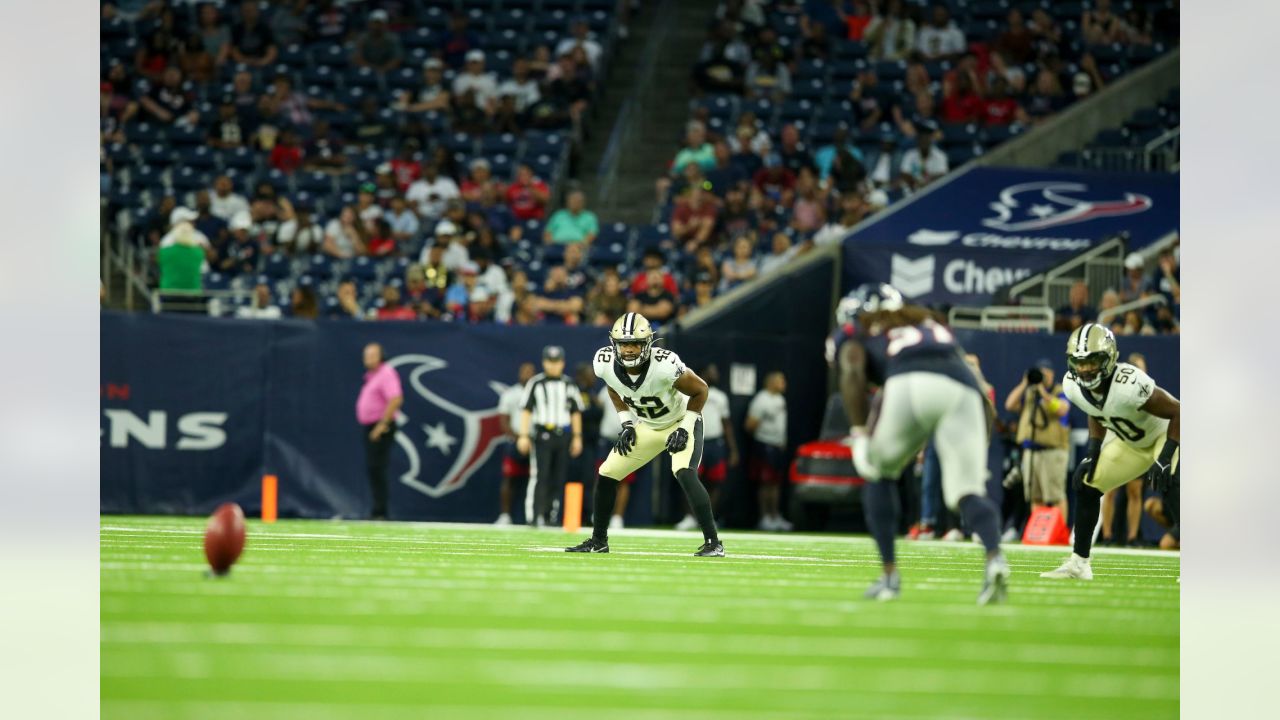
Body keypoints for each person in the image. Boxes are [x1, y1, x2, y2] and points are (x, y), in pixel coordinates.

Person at [832, 283, 1008, 603]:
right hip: (964, 389)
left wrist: (859, 432)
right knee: (967, 491)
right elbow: (982, 395)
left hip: (910, 381)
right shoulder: (929, 322)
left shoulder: (860, 328)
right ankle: (995, 559)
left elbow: (853, 370)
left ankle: (889, 577)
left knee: (877, 470)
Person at [566, 313, 724, 556]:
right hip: (648, 425)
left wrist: (685, 427)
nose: (629, 350)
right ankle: (599, 541)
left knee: (683, 472)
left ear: (648, 344)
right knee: (607, 473)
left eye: (635, 344)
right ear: (614, 344)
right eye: (624, 344)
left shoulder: (664, 365)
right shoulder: (604, 363)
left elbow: (701, 390)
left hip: (681, 420)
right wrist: (627, 423)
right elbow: (613, 385)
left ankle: (714, 543)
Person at [1042, 325, 1180, 580]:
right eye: (1079, 362)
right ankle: (1079, 563)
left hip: (1164, 435)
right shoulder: (1072, 385)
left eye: (1092, 361)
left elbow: (1178, 411)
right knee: (1087, 483)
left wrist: (1166, 454)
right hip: (1132, 443)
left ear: (1108, 358)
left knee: (1170, 479)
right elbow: (1094, 410)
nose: (1084, 369)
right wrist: (1094, 451)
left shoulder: (1129, 382)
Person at [516, 346, 585, 527]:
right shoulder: (536, 383)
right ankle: (533, 516)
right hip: (542, 433)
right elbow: (526, 410)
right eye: (550, 362)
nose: (553, 366)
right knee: (540, 475)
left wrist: (577, 437)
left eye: (557, 362)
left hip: (563, 434)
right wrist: (523, 435)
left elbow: (576, 412)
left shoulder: (569, 384)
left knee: (559, 476)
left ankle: (550, 516)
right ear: (544, 362)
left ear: (562, 363)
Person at [1004, 357, 1071, 521]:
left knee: (1055, 496)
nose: (1043, 377)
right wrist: (1024, 384)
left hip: (1052, 451)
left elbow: (1062, 410)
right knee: (1035, 496)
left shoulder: (1059, 391)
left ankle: (1059, 532)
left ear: (1052, 374)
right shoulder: (1029, 393)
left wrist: (1043, 393)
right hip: (1031, 451)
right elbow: (1010, 405)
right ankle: (1039, 533)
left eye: (1046, 374)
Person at [676, 364, 738, 531]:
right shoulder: (687, 393)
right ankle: (689, 517)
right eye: (712, 371)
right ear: (702, 373)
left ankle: (708, 517)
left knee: (715, 482)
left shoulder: (720, 397)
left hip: (715, 442)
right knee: (689, 479)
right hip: (694, 440)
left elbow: (726, 424)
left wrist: (733, 450)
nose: (715, 374)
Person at [356, 343, 403, 520]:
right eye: (366, 355)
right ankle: (377, 509)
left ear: (381, 356)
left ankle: (380, 511)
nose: (367, 358)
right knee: (373, 469)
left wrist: (382, 425)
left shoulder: (386, 373)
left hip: (381, 426)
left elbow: (396, 398)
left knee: (377, 468)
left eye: (372, 355)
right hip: (372, 425)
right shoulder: (371, 376)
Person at [746, 372, 792, 532]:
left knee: (776, 483)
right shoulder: (762, 399)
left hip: (777, 447)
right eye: (781, 380)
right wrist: (765, 438)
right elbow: (750, 425)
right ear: (771, 382)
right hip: (765, 446)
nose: (784, 383)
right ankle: (764, 517)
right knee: (765, 483)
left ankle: (775, 516)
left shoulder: (780, 399)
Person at [496, 362, 537, 525]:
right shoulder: (510, 394)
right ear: (519, 374)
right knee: (510, 478)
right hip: (515, 440)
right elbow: (504, 421)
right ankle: (505, 515)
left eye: (530, 372)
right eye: (524, 372)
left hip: (536, 440)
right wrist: (519, 437)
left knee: (537, 480)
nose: (527, 375)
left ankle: (535, 515)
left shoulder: (540, 393)